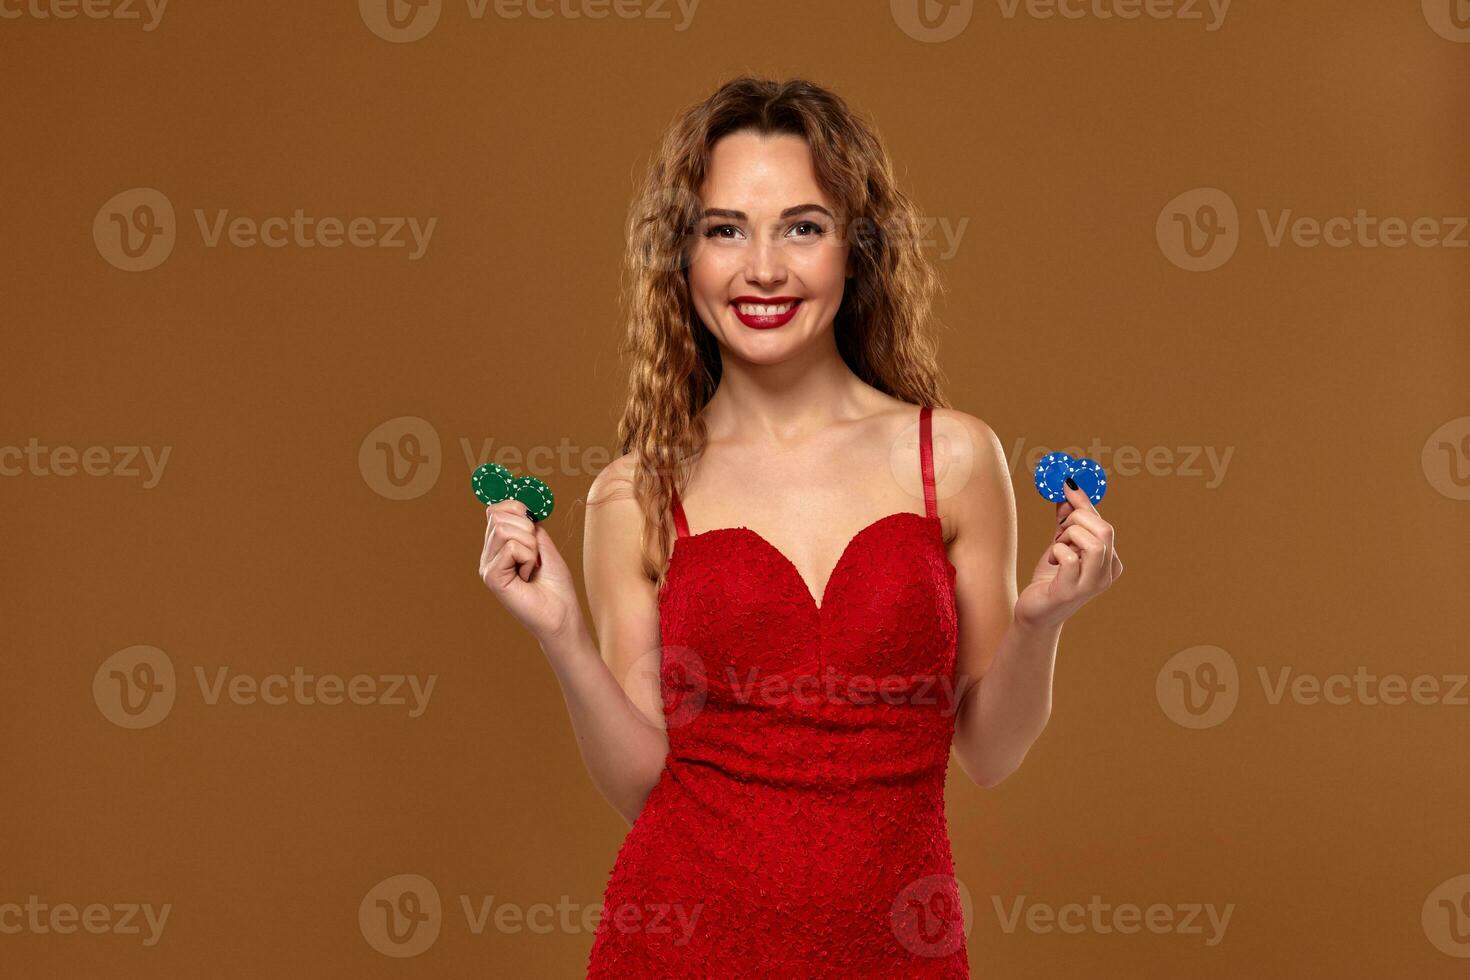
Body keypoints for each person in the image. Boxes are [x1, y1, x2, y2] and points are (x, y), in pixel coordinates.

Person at [478, 75, 1122, 978]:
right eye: (725, 229)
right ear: (682, 256)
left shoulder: (956, 459)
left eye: (803, 227)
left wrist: (1038, 621)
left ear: (854, 251)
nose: (764, 269)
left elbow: (990, 750)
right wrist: (561, 637)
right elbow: (642, 785)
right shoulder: (635, 492)